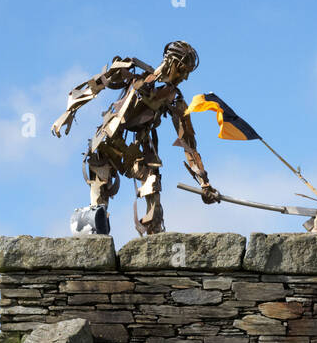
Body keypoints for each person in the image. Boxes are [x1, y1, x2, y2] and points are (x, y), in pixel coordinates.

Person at [52, 41, 221, 236]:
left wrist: (203, 182)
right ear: (172, 63)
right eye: (183, 70)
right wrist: (68, 112)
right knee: (100, 195)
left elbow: (188, 143)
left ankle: (154, 238)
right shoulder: (134, 72)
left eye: (188, 72)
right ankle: (94, 235)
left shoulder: (175, 99)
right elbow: (98, 83)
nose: (185, 76)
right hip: (108, 142)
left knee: (152, 184)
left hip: (135, 152)